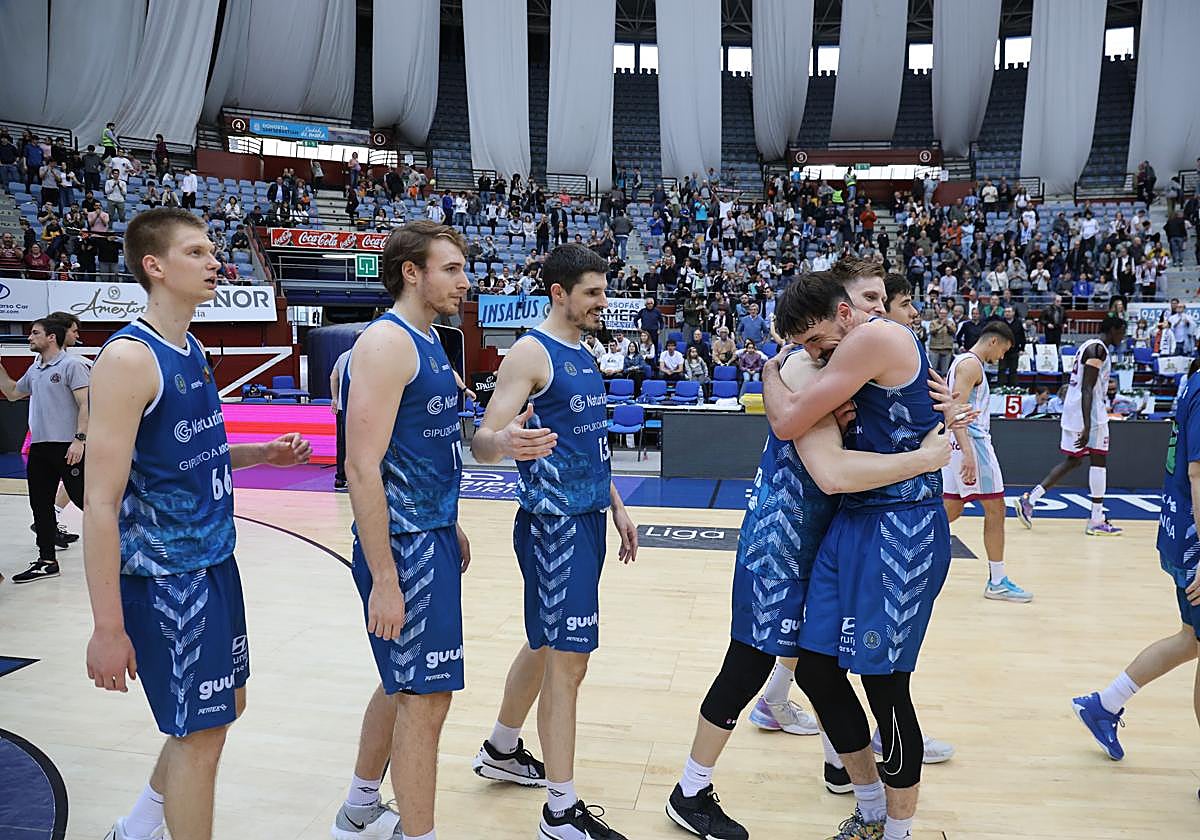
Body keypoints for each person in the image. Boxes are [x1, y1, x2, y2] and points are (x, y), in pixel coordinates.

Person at [665, 271, 953, 840]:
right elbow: (825, 465)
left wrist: (949, 414)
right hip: (784, 538)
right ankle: (691, 789)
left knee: (822, 667)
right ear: (840, 305)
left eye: (881, 301)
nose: (880, 313)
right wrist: (774, 368)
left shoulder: (861, 353)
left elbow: (925, 394)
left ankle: (857, 785)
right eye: (868, 300)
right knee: (751, 661)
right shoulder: (804, 366)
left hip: (840, 533)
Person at [81, 207, 311, 840]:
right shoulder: (129, 359)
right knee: (200, 734)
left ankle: (136, 827)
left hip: (216, 563)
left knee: (223, 709)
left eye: (213, 251)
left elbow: (190, 454)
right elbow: (100, 503)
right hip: (166, 579)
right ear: (155, 267)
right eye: (197, 253)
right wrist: (107, 627)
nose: (216, 261)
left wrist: (259, 455)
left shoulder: (190, 349)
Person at [762, 270, 954, 840]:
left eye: (816, 341)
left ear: (843, 316)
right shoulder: (851, 349)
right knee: (817, 667)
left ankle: (898, 830)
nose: (814, 354)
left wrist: (772, 370)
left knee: (885, 686)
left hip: (901, 527)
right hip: (855, 522)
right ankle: (868, 805)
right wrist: (780, 366)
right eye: (802, 347)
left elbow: (787, 420)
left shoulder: (873, 338)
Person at [468, 243, 638, 840]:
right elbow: (484, 436)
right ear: (558, 293)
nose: (603, 302)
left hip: (588, 516)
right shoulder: (532, 352)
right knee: (570, 664)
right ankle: (560, 810)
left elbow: (589, 442)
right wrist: (504, 441)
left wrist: (617, 506)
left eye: (603, 290)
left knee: (545, 646)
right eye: (592, 292)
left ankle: (502, 747)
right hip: (554, 526)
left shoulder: (582, 352)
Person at [331, 220, 472, 840]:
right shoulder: (387, 345)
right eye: (451, 269)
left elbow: (426, 447)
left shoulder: (433, 339)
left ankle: (361, 806)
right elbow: (359, 467)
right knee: (425, 699)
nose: (463, 283)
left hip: (430, 533)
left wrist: (452, 520)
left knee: (400, 684)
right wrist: (384, 577)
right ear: (411, 272)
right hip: (404, 549)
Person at [1071, 356, 1200, 770]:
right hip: (1193, 539)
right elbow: (1198, 474)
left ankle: (1104, 705)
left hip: (1180, 529)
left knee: (1191, 639)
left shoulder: (1193, 380)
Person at [942, 321, 1032, 602]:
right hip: (973, 444)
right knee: (996, 509)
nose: (1002, 357)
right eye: (1004, 350)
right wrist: (968, 453)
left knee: (951, 510)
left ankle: (907, 556)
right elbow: (956, 411)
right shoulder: (971, 365)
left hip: (956, 443)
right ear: (994, 341)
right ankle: (997, 580)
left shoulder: (962, 362)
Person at [1018, 316, 1128, 536]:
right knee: (1098, 458)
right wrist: (1088, 426)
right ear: (1113, 329)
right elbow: (1088, 388)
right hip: (1089, 413)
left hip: (1074, 410)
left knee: (1074, 460)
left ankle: (1030, 499)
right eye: (1121, 332)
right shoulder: (1098, 350)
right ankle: (1096, 519)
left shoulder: (1088, 345)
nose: (1123, 337)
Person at [0, 318, 88, 583]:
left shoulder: (72, 365)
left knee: (89, 502)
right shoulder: (35, 368)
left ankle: (127, 545)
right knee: (40, 505)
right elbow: (14, 392)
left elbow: (85, 404)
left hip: (67, 446)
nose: (29, 337)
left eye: (35, 333)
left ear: (52, 337)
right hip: (39, 449)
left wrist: (80, 440)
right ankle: (47, 560)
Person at [329, 344, 352, 492]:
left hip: (342, 407)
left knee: (342, 443)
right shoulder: (367, 355)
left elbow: (333, 377)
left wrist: (335, 399)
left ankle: (341, 478)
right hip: (360, 408)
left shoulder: (343, 356)